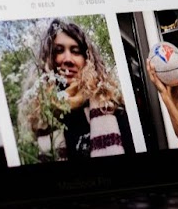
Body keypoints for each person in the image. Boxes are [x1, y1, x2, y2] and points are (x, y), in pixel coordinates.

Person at [17, 18, 135, 160]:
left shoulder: (111, 106)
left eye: (76, 51)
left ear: (88, 59)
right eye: (59, 51)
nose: (68, 59)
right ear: (48, 59)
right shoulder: (43, 119)